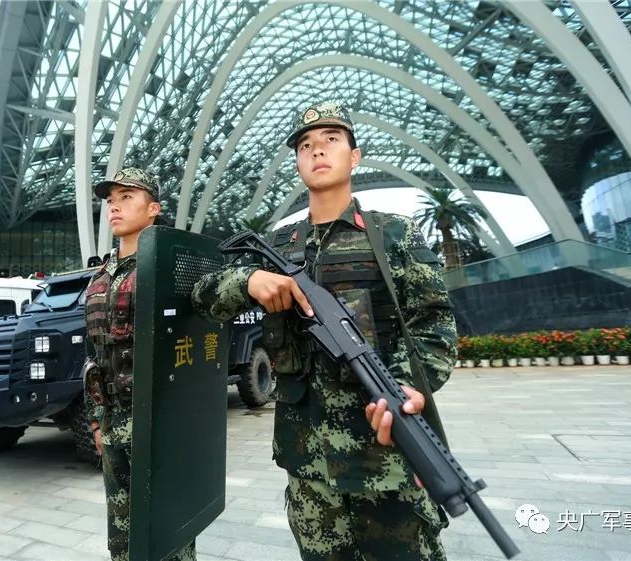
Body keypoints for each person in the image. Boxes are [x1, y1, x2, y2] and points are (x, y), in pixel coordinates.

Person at [192, 101, 457, 560]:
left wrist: (412, 385)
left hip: (387, 454)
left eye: (332, 140)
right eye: (306, 146)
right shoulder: (277, 244)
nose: (318, 151)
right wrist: (247, 280)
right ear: (297, 164)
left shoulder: (394, 235)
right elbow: (203, 295)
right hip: (309, 466)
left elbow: (435, 324)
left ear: (354, 157)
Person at [82, 167, 196, 561]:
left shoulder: (170, 268)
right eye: (111, 199)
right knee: (122, 532)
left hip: (158, 424)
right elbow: (93, 356)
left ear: (153, 209)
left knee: (169, 533)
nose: (114, 205)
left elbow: (189, 347)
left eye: (127, 196)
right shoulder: (100, 278)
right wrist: (97, 419)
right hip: (114, 424)